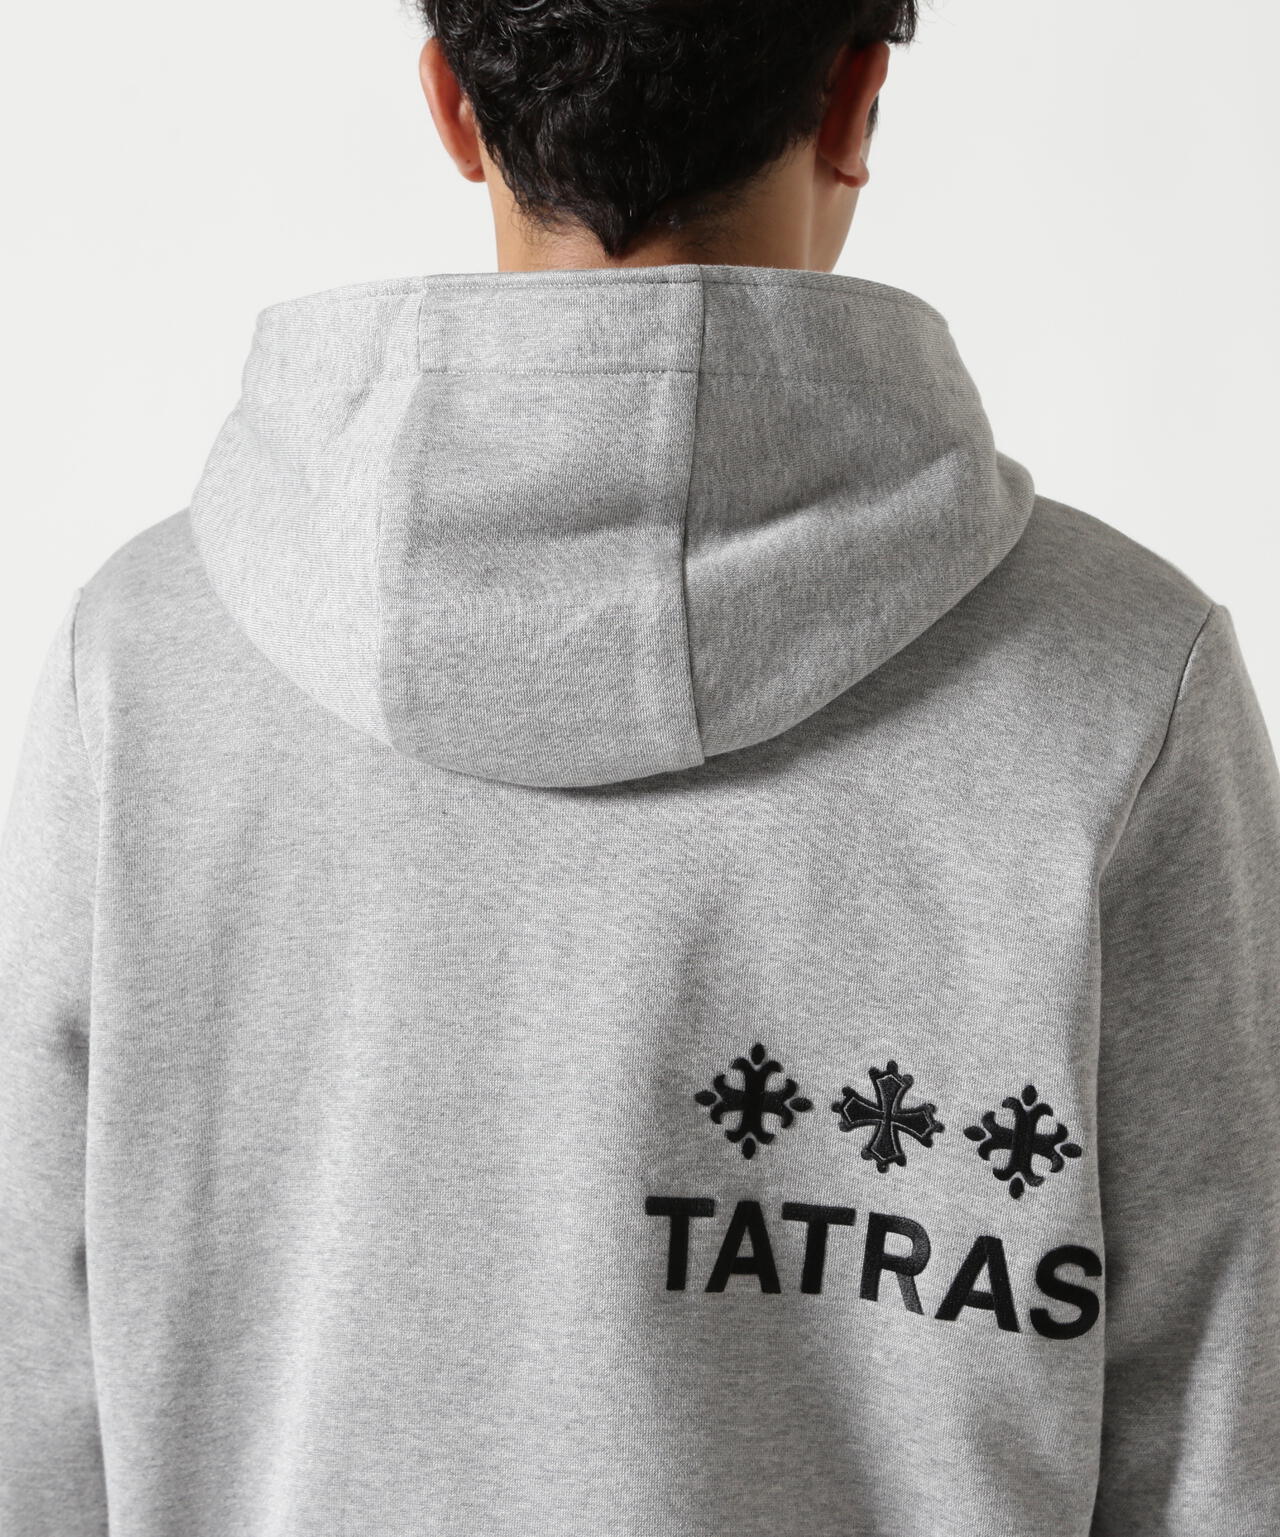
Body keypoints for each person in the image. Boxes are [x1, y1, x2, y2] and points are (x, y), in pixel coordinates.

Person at [1, 1, 1276, 1533]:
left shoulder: (141, 676)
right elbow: (1230, 1461)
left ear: (452, 107)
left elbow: (33, 1444)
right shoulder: (1127, 695)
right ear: (856, 98)